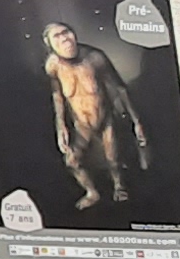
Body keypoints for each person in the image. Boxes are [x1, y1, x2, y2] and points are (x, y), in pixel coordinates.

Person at [41, 20, 148, 212]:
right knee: (72, 161)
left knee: (113, 158)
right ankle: (91, 192)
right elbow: (57, 96)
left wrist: (136, 121)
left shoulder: (94, 58)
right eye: (57, 36)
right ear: (49, 44)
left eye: (67, 32)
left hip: (104, 118)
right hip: (81, 123)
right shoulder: (53, 65)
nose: (65, 39)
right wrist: (60, 126)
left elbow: (120, 89)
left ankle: (119, 186)